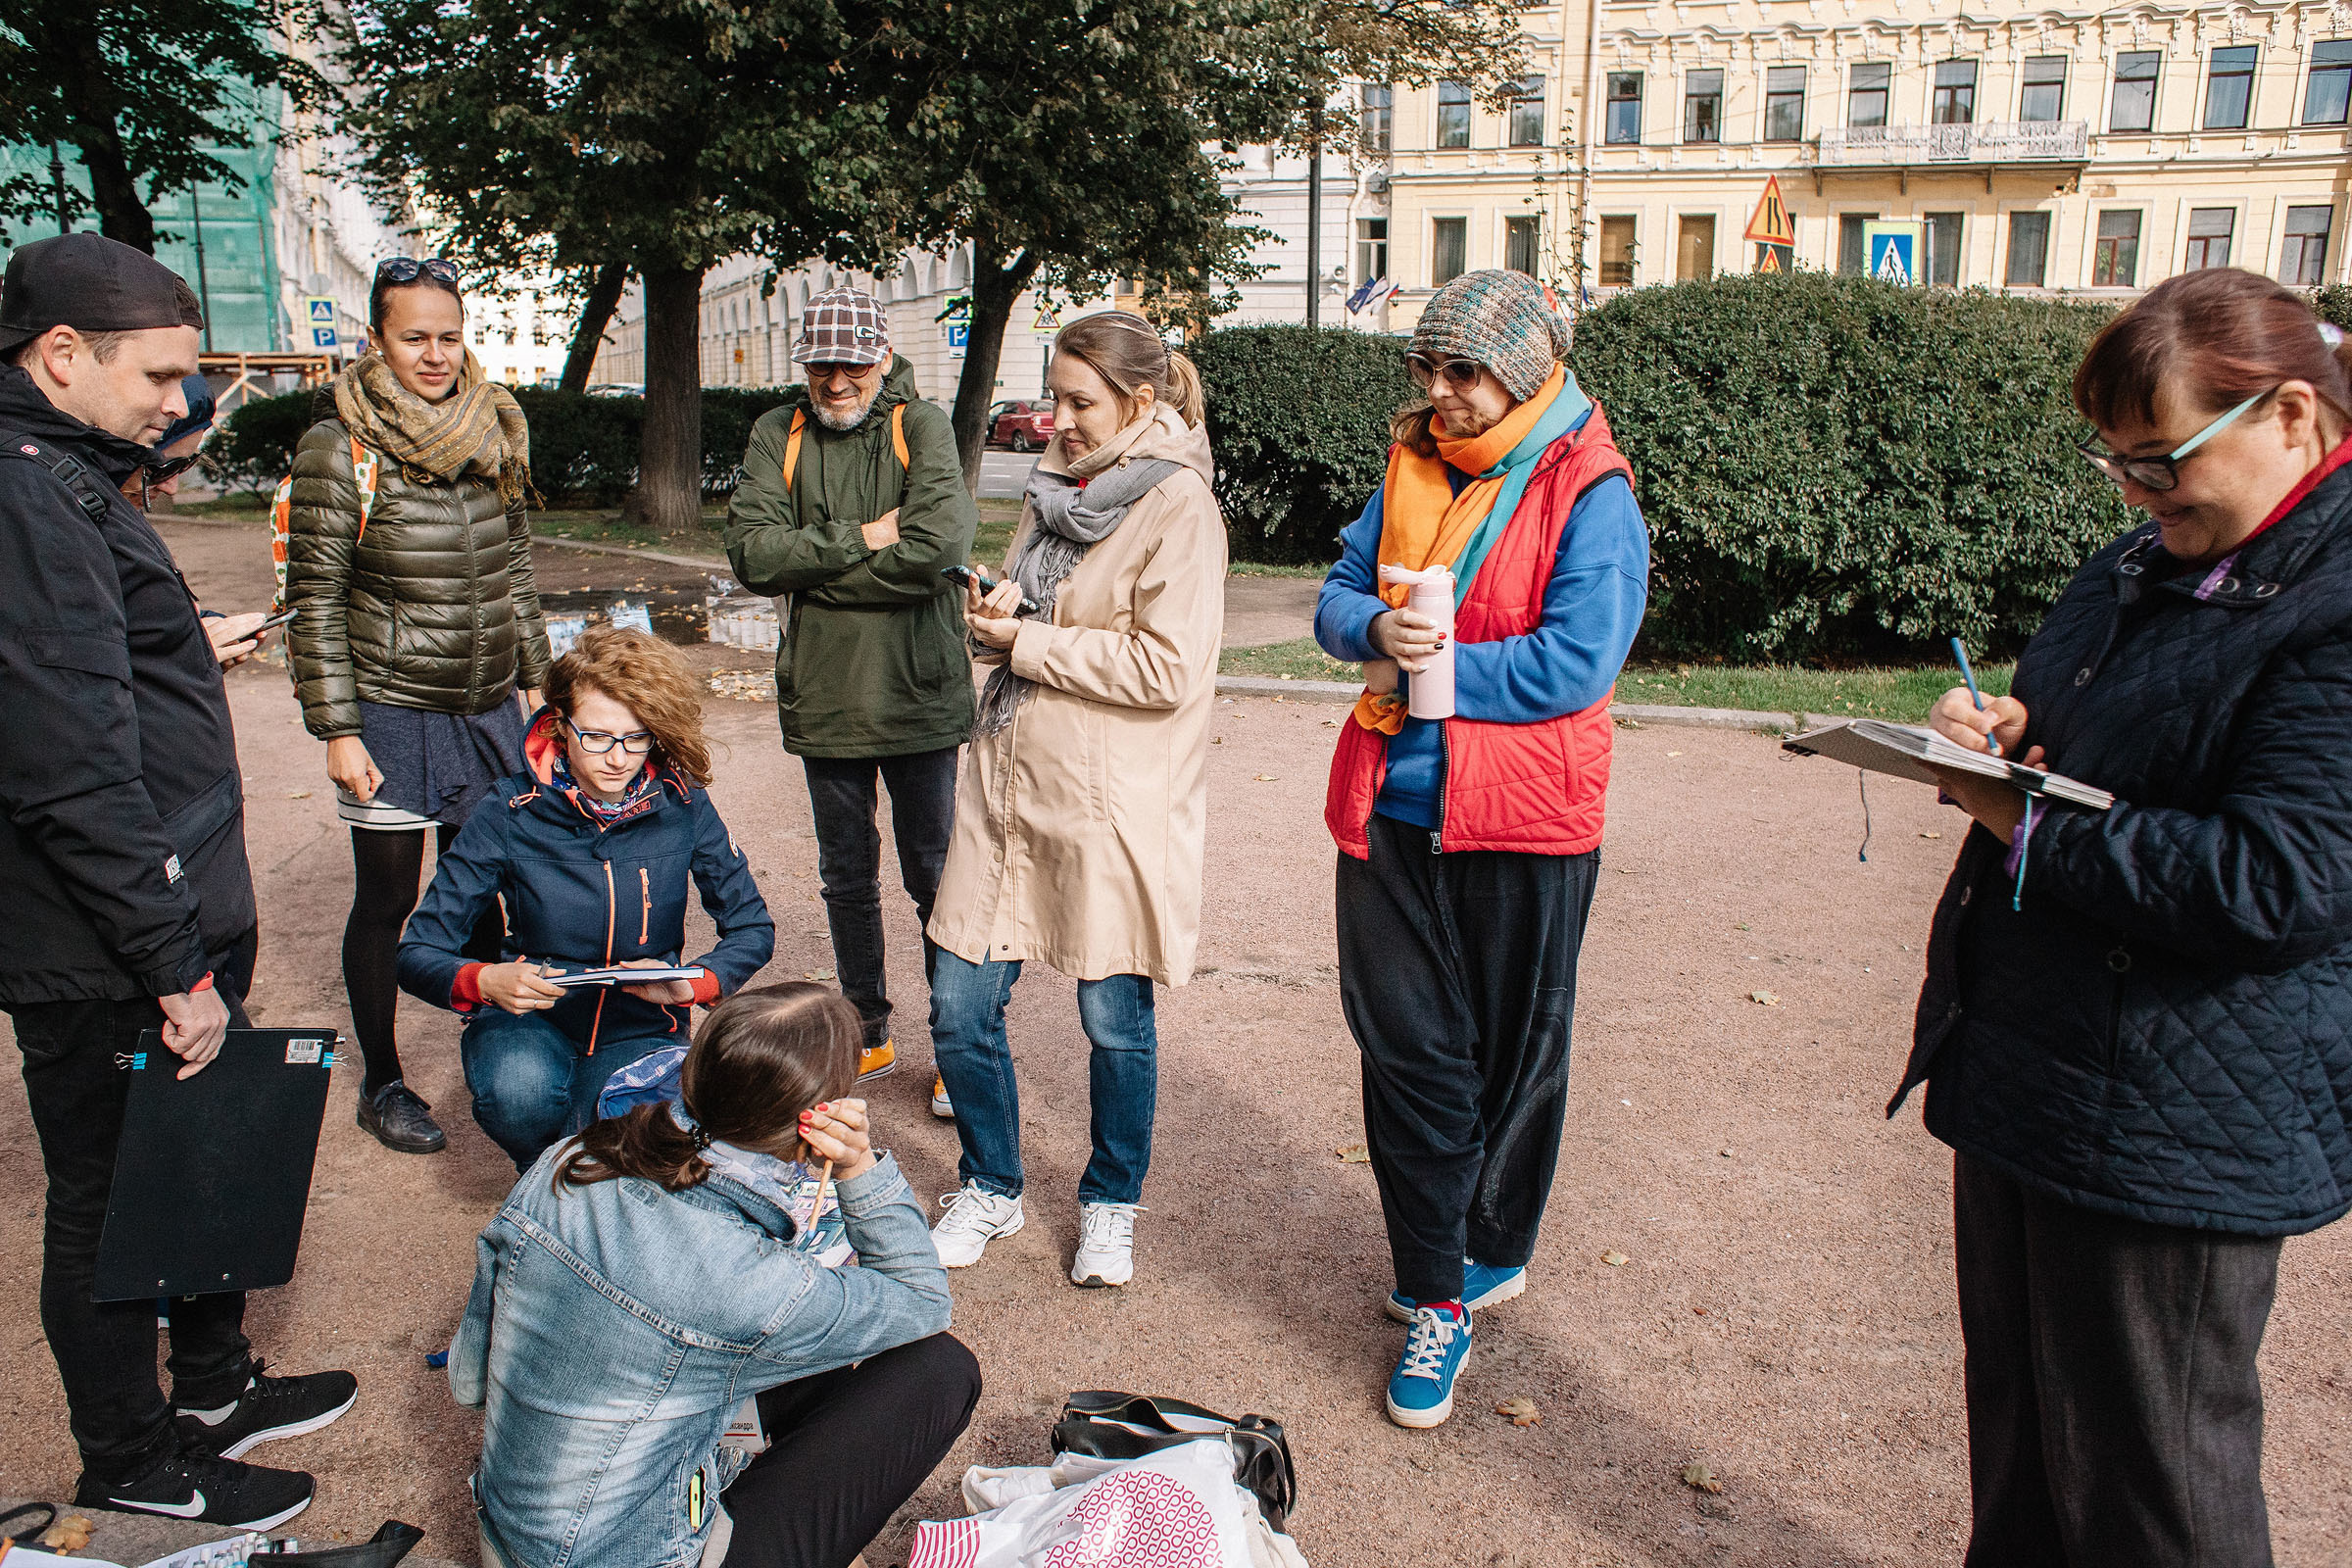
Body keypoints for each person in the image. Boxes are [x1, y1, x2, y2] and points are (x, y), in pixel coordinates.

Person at [1904, 269, 2352, 1566]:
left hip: (2177, 1119)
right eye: (2119, 468)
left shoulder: (2333, 606)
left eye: (2162, 463)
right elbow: (2093, 717)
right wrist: (2008, 732)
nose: (2139, 498)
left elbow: (2281, 881)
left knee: (2158, 1502)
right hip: (2038, 1073)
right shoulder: (2162, 552)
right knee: (2031, 1462)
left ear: (2291, 418)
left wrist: (2021, 820)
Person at [0, 232, 354, 1530]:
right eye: (159, 375)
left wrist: (179, 642)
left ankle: (210, 1384)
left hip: (167, 909)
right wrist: (173, 964)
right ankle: (132, 1457)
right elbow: (68, 772)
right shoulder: (25, 494)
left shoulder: (71, 478)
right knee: (107, 1200)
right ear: (60, 356)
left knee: (204, 1154)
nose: (179, 403)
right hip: (107, 944)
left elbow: (95, 669)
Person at [1313, 270, 1649, 1429]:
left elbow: (1577, 663)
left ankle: (1492, 1241)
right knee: (1410, 1055)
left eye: (1465, 372)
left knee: (1513, 1061)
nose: (1442, 393)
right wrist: (1369, 626)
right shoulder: (1408, 464)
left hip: (1528, 821)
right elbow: (1336, 596)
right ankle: (1435, 1291)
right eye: (1429, 368)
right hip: (1389, 809)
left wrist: (1427, 666)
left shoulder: (1589, 483)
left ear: (1530, 374)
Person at [453, 982, 979, 1568]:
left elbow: (470, 1370)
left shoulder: (572, 1158)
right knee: (940, 1369)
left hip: (512, 1531)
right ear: (815, 1118)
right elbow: (922, 1300)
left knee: (810, 1347)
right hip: (630, 1554)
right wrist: (857, 1165)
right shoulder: (754, 1284)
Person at [922, 311, 1226, 1290]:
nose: (1056, 418)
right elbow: (1025, 603)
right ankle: (992, 1182)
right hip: (1008, 780)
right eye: (1054, 395)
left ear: (1139, 404)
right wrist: (994, 617)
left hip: (1108, 804)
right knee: (959, 1001)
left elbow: (1169, 669)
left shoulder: (1182, 508)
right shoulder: (1055, 484)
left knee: (1113, 1020)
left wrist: (1027, 643)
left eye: (1078, 401)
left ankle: (1109, 1202)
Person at [285, 255, 554, 1155]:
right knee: (388, 898)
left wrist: (537, 680)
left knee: (482, 893)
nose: (435, 355)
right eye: (414, 338)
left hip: (485, 708)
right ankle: (386, 1082)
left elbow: (515, 570)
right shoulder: (341, 446)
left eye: (448, 336)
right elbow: (316, 597)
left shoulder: (494, 431)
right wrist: (338, 729)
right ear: (377, 339)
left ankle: (500, 1062)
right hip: (392, 708)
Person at [724, 286, 978, 1109]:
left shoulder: (922, 425)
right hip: (826, 696)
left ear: (883, 359)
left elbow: (940, 546)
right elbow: (754, 557)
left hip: (916, 692)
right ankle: (865, 1031)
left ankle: (957, 1045)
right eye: (821, 365)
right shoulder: (778, 433)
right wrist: (867, 537)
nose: (837, 382)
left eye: (853, 364)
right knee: (846, 875)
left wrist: (820, 573)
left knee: (936, 873)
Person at [397, 626, 775, 1169]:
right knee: (522, 1096)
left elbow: (752, 928)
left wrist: (694, 983)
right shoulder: (508, 811)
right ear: (558, 726)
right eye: (596, 736)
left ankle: (575, 1169)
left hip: (642, 1024)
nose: (618, 759)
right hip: (528, 1020)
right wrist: (482, 981)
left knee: (647, 1131)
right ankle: (542, 1175)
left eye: (636, 737)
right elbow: (417, 951)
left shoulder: (684, 804)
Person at [122, 373, 275, 670]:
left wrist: (200, 626)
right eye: (162, 468)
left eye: (188, 464)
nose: (172, 487)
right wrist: (183, 653)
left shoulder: (123, 520)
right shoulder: (79, 524)